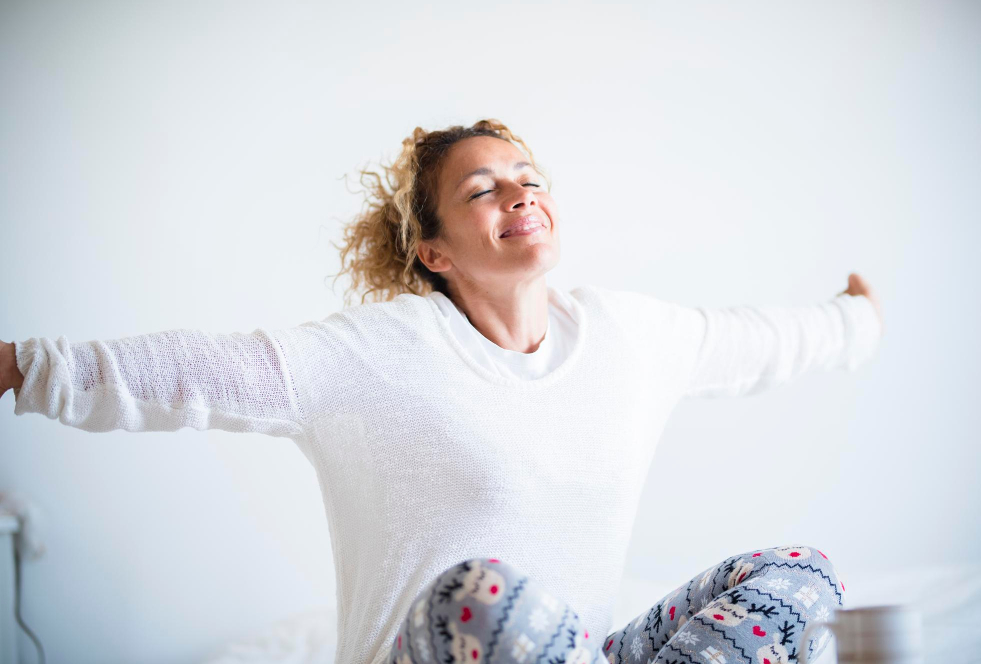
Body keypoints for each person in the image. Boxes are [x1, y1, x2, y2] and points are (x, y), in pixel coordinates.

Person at [0, 118, 884, 664]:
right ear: (435, 252)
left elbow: (757, 342)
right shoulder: (380, 352)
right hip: (437, 646)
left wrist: (855, 322)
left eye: (530, 178)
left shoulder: (630, 335)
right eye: (483, 189)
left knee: (799, 577)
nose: (521, 193)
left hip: (588, 653)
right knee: (484, 592)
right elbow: (193, 373)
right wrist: (20, 366)